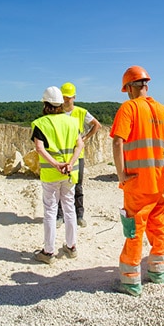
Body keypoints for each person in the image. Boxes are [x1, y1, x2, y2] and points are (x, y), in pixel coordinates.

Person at [111, 66, 164, 296]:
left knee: (134, 230)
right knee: (158, 227)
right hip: (158, 182)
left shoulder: (128, 108)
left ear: (129, 89)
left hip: (136, 183)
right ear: (145, 85)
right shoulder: (161, 110)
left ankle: (131, 281)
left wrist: (121, 173)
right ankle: (157, 272)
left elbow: (117, 142)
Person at [30, 86, 84, 265]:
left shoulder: (40, 123)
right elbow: (80, 146)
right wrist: (69, 163)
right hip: (70, 173)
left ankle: (48, 251)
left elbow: (39, 148)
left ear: (45, 103)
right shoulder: (72, 122)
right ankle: (71, 246)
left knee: (50, 211)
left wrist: (56, 164)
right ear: (61, 103)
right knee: (69, 208)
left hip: (51, 174)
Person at [56, 81, 101, 229]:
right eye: (63, 97)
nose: (65, 100)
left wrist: (85, 138)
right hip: (61, 155)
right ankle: (60, 216)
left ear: (74, 97)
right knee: (60, 186)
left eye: (68, 97)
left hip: (77, 155)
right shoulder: (56, 112)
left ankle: (79, 215)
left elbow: (97, 125)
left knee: (78, 186)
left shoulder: (81, 112)